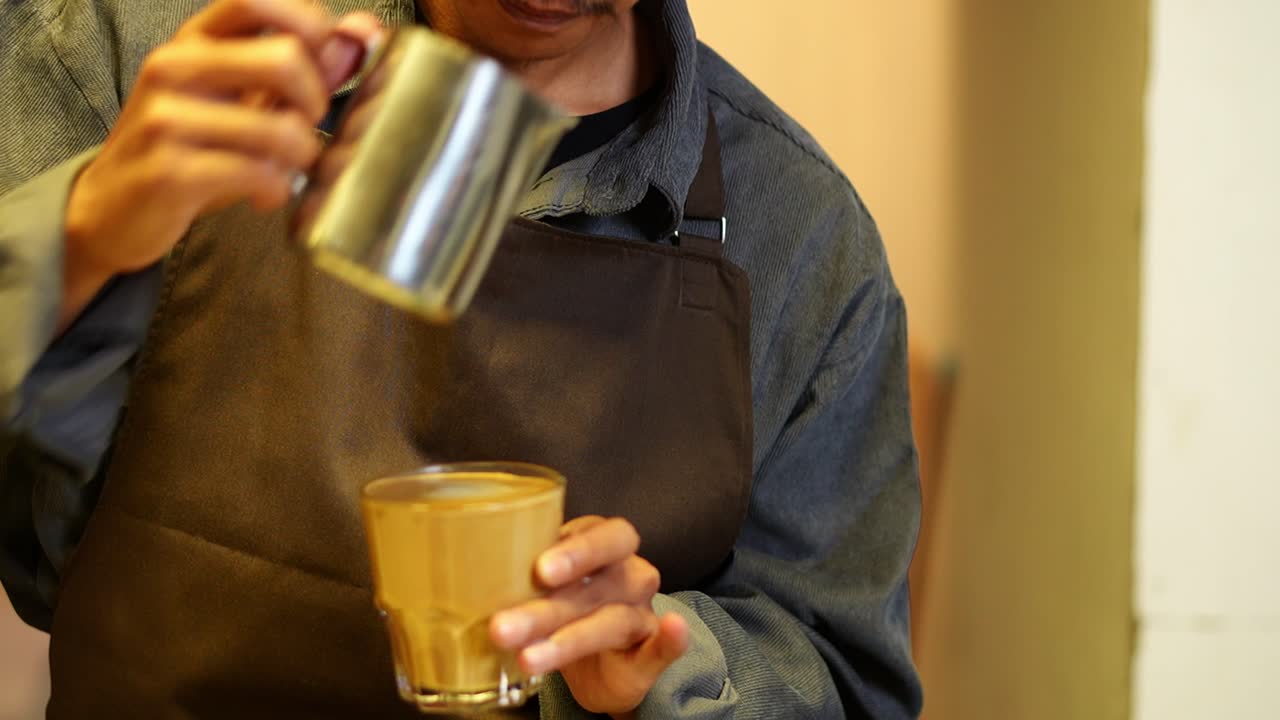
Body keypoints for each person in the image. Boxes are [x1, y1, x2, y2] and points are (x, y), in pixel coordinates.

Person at [0, 0, 924, 717]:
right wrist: (75, 245)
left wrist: (664, 669)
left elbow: (846, 686)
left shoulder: (806, 243)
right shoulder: (131, 46)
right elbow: (41, 554)